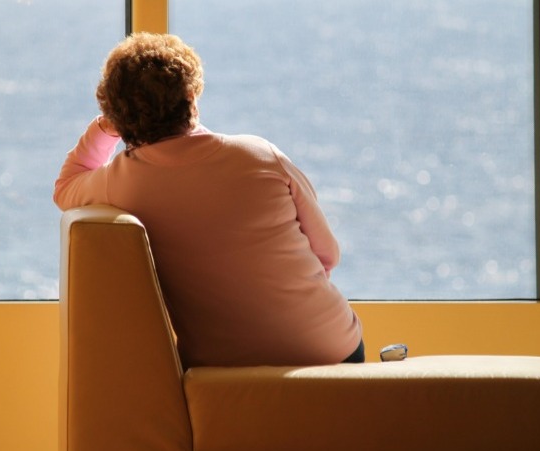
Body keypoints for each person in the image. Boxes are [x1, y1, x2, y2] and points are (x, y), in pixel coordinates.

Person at [54, 32, 363, 368]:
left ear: (118, 116)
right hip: (332, 351)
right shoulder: (259, 155)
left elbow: (66, 186)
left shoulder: (120, 183)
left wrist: (103, 128)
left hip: (220, 369)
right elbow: (328, 255)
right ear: (191, 96)